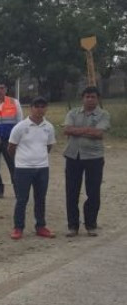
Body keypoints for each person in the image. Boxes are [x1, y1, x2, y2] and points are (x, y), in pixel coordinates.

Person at [63, 86, 111, 237]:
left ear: (98, 99)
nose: (90, 99)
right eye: (87, 97)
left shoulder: (104, 114)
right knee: (71, 192)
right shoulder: (73, 112)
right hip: (73, 156)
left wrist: (76, 130)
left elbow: (99, 133)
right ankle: (73, 226)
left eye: (93, 97)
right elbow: (66, 130)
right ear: (82, 98)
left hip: (94, 158)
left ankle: (91, 224)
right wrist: (88, 130)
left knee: (93, 192)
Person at [7, 97, 56, 240]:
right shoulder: (20, 127)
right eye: (37, 106)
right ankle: (18, 227)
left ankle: (40, 226)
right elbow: (11, 147)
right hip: (23, 168)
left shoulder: (49, 127)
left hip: (42, 168)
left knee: (40, 198)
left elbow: (48, 146)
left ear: (46, 108)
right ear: (31, 108)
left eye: (43, 106)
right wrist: (22, 159)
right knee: (22, 199)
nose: (40, 109)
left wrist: (39, 158)